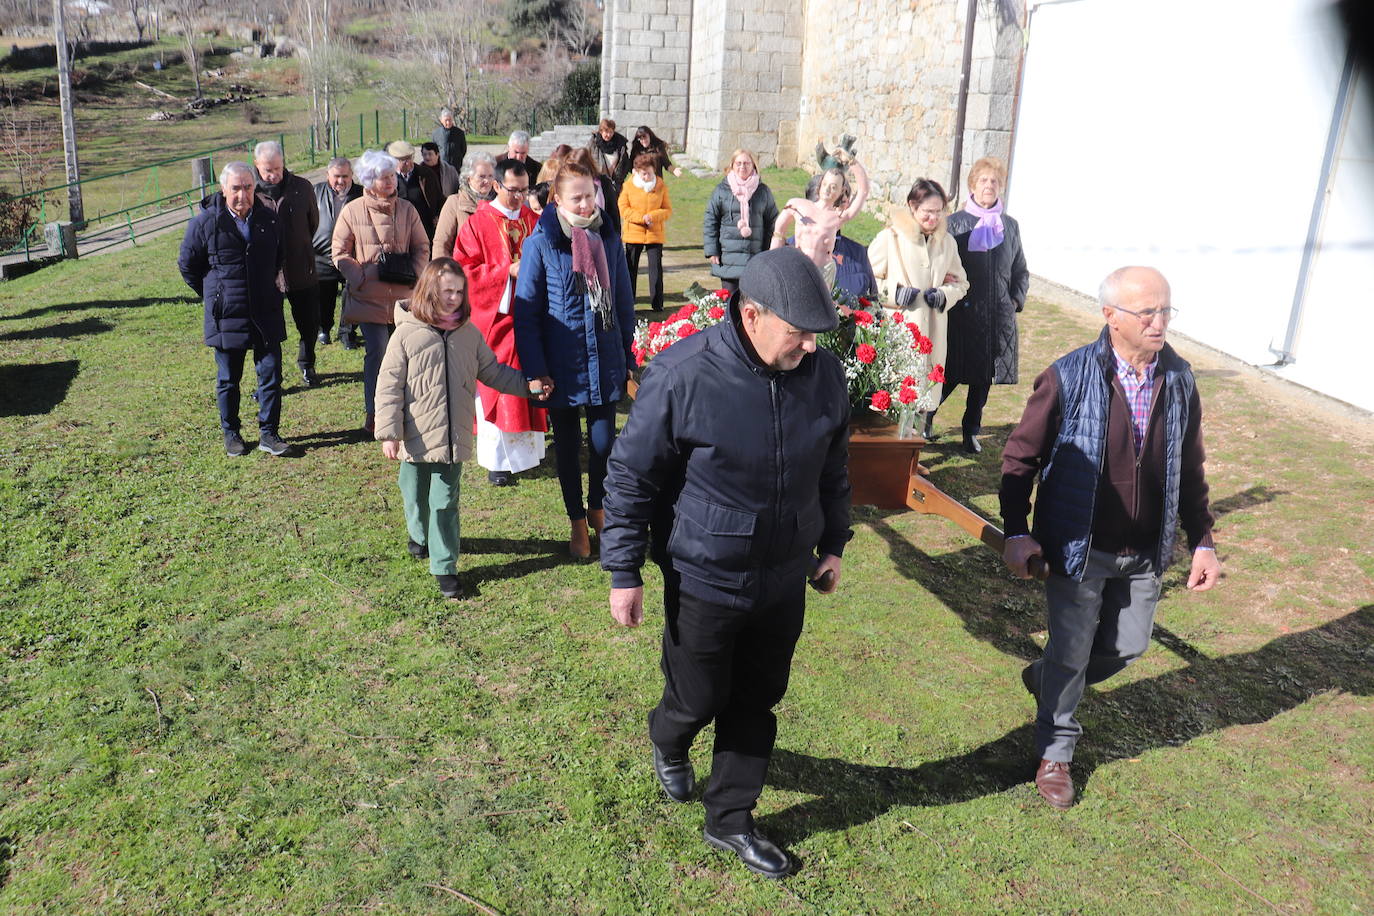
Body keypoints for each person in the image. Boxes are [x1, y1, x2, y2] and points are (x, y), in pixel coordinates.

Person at [599, 246, 851, 880]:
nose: (810, 347)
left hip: (784, 573)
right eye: (797, 332)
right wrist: (623, 571)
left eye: (817, 334)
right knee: (699, 694)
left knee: (757, 698)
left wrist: (834, 543)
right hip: (706, 573)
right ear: (752, 314)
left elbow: (833, 466)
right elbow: (631, 476)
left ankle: (730, 819)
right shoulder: (683, 375)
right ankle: (669, 733)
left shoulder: (821, 374)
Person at [1000, 266, 1221, 810]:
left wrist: (1203, 540)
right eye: (1146, 312)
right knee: (1073, 652)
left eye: (1166, 310)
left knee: (1129, 645)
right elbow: (1018, 459)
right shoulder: (1069, 376)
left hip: (1145, 551)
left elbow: (1189, 470)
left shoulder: (1180, 378)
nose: (1159, 322)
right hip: (1079, 547)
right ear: (1109, 316)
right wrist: (1017, 532)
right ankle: (1056, 754)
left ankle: (1047, 677)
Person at [375, 258, 550, 599]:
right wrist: (390, 432)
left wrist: (528, 385)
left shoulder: (468, 334)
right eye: (446, 291)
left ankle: (444, 567)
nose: (454, 297)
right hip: (414, 436)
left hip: (452, 438)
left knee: (444, 501)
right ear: (429, 291)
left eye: (459, 291)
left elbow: (494, 372)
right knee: (414, 493)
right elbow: (389, 384)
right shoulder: (407, 334)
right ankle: (419, 534)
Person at [513, 159, 635, 559]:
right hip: (560, 363)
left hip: (604, 357)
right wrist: (536, 370)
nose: (585, 205)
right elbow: (527, 313)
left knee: (603, 443)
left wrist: (628, 355)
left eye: (590, 196)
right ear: (558, 199)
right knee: (567, 446)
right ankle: (576, 521)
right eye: (577, 198)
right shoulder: (541, 242)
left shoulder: (609, 238)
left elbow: (622, 302)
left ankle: (597, 507)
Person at [177, 161, 292, 457]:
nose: (243, 194)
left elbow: (279, 254)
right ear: (223, 189)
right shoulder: (205, 224)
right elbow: (188, 265)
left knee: (271, 375)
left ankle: (269, 433)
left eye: (248, 187)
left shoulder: (268, 219)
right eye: (236, 188)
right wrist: (215, 294)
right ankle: (232, 433)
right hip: (226, 315)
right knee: (229, 379)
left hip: (265, 310)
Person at [453, 158, 547, 487]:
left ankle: (528, 454)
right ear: (496, 185)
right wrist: (505, 273)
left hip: (533, 320)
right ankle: (497, 462)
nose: (520, 197)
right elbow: (464, 272)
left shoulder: (536, 221)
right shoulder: (476, 226)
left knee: (532, 381)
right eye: (513, 191)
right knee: (498, 386)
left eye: (525, 190)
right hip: (496, 320)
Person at [331, 149, 430, 432]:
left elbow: (422, 247)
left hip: (404, 298)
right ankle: (374, 412)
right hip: (368, 298)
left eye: (392, 176)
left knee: (407, 354)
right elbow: (339, 252)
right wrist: (359, 276)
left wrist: (417, 276)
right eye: (384, 177)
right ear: (369, 180)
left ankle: (407, 410)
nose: (391, 182)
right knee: (377, 352)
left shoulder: (408, 209)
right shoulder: (352, 210)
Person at [867, 177, 969, 437]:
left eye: (938, 212)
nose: (933, 218)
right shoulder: (890, 238)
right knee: (895, 399)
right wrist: (896, 293)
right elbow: (866, 280)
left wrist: (945, 295)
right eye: (928, 212)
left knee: (922, 401)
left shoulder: (947, 242)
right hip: (900, 333)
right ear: (913, 206)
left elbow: (962, 283)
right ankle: (888, 461)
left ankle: (912, 462)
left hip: (932, 334)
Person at [943, 157, 1030, 454]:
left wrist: (1015, 299)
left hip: (996, 317)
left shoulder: (1011, 226)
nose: (989, 186)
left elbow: (1020, 270)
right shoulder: (955, 223)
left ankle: (971, 431)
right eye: (983, 180)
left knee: (983, 381)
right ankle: (927, 417)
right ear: (972, 185)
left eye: (994, 181)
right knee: (950, 373)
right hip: (963, 315)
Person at [252, 140, 322, 388]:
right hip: (266, 275)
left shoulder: (302, 187)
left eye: (278, 168)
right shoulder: (251, 193)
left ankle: (307, 363)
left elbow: (313, 223)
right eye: (267, 170)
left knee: (309, 322)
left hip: (301, 268)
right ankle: (271, 378)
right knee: (268, 330)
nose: (273, 175)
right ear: (257, 165)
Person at [769, 153, 869, 288]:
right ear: (820, 184)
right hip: (798, 266)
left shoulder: (837, 217)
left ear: (841, 191)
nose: (828, 189)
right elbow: (779, 232)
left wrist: (852, 161)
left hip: (823, 274)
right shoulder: (796, 205)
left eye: (834, 187)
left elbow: (863, 191)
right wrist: (772, 262)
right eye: (826, 184)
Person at [703, 149, 778, 294]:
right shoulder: (721, 191)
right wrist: (712, 251)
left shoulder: (763, 192)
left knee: (751, 306)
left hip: (754, 259)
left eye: (746, 163)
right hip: (728, 258)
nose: (742, 167)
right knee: (731, 305)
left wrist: (769, 251)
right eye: (738, 163)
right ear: (732, 165)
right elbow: (710, 220)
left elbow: (773, 223)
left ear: (753, 166)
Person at [313, 156, 363, 350]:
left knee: (351, 295)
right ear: (327, 175)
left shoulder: (361, 194)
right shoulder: (315, 191)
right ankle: (323, 328)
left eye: (345, 176)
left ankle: (347, 332)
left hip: (352, 255)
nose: (341, 181)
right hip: (321, 255)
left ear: (352, 176)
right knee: (323, 296)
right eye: (336, 176)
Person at [618, 151, 672, 310]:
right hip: (633, 233)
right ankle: (629, 301)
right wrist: (641, 218)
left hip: (654, 233)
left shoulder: (661, 185)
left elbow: (667, 210)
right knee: (631, 269)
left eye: (649, 173)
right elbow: (623, 208)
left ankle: (657, 303)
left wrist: (653, 217)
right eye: (644, 173)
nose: (647, 176)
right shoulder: (628, 186)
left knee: (655, 269)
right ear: (637, 171)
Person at [432, 152, 496, 261]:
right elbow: (441, 245)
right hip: (462, 273)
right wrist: (446, 273)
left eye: (490, 176)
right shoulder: (454, 203)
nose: (487, 181)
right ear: (468, 178)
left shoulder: (497, 203)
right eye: (482, 176)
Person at [386, 139, 441, 239]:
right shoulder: (387, 179)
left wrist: (437, 216)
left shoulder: (426, 175)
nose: (409, 163)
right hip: (398, 230)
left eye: (410, 158)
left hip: (424, 228)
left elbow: (439, 198)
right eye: (404, 160)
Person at [564, 146, 623, 237]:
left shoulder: (603, 183)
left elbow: (613, 213)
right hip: (573, 235)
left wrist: (615, 240)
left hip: (602, 235)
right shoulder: (565, 184)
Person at [588, 117, 631, 191]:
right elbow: (586, 160)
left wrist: (621, 177)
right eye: (606, 132)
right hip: (597, 184)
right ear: (601, 131)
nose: (608, 135)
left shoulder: (620, 144)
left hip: (615, 185)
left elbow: (625, 163)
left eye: (611, 132)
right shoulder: (593, 143)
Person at [430, 107, 467, 172]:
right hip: (441, 167)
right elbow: (433, 151)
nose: (448, 122)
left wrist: (457, 158)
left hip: (456, 167)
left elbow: (463, 149)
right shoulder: (435, 134)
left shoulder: (459, 133)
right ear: (441, 120)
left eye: (450, 120)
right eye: (446, 120)